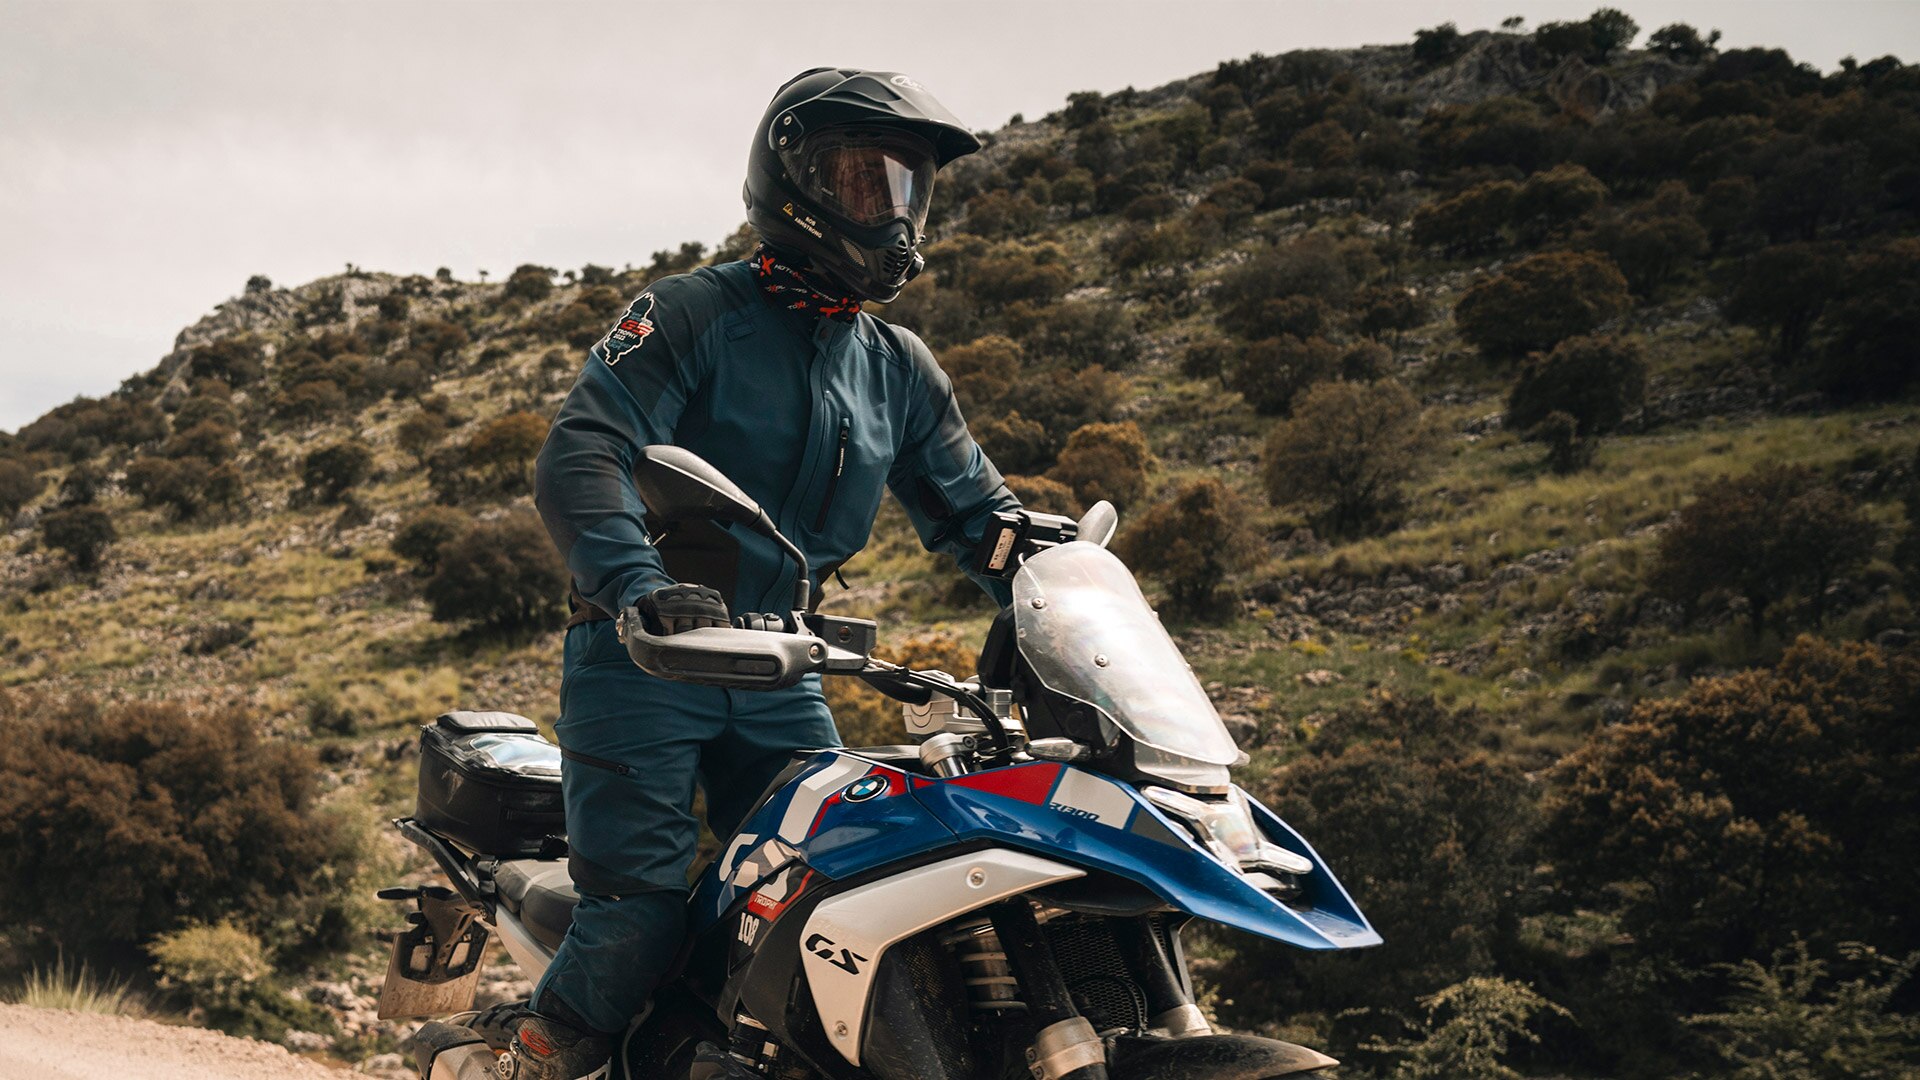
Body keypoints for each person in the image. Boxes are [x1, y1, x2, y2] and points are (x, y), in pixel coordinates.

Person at [508, 68, 1020, 1080]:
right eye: (865, 181)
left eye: (909, 188)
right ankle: (536, 1054)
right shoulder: (693, 312)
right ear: (795, 179)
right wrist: (635, 584)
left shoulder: (897, 366)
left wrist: (1057, 584)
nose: (893, 212)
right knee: (641, 917)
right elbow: (585, 449)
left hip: (784, 666)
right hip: (646, 654)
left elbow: (980, 516)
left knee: (831, 894)